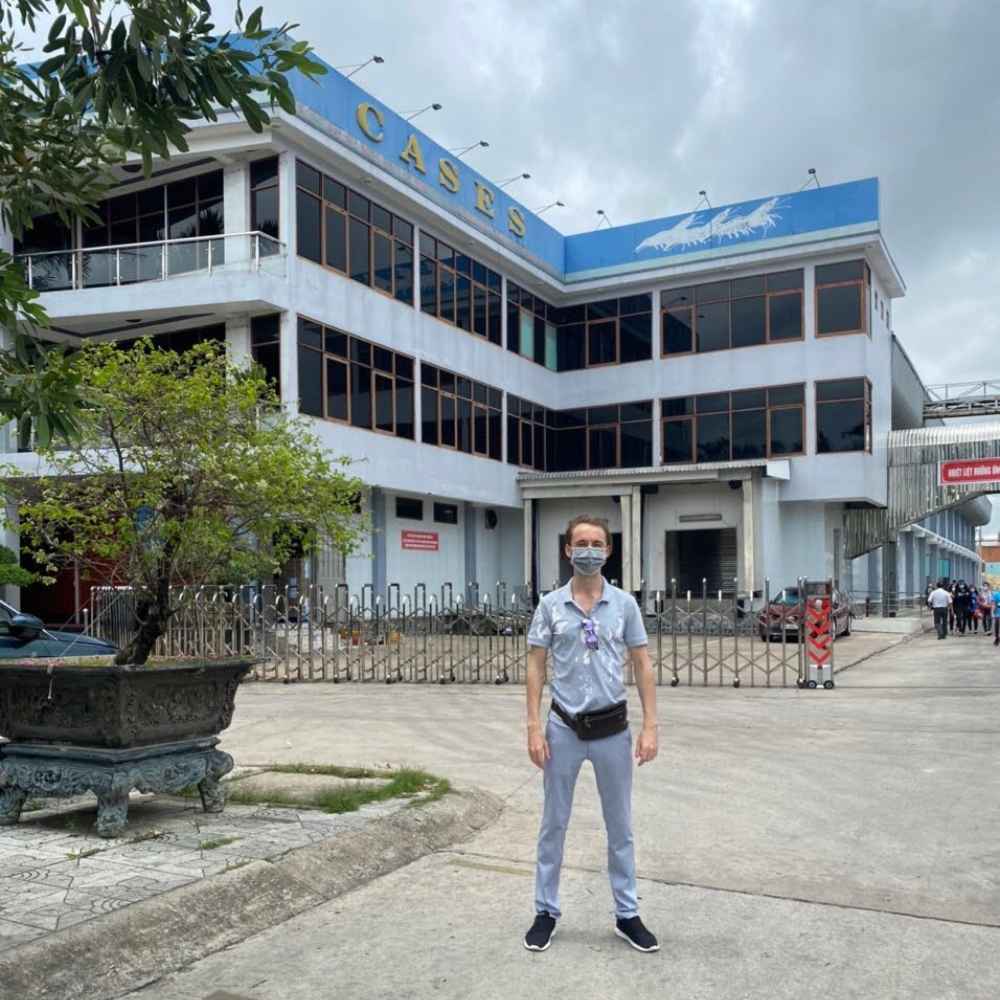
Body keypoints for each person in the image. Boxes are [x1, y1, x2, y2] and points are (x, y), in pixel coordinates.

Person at [524, 514, 659, 954]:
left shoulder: (624, 606)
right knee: (553, 824)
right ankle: (546, 911)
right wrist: (532, 726)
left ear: (608, 551)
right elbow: (535, 666)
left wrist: (650, 725)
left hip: (612, 731)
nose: (588, 550)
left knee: (620, 827)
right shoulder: (549, 606)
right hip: (562, 729)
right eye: (580, 543)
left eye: (596, 543)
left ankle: (627, 914)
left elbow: (641, 663)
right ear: (567, 550)